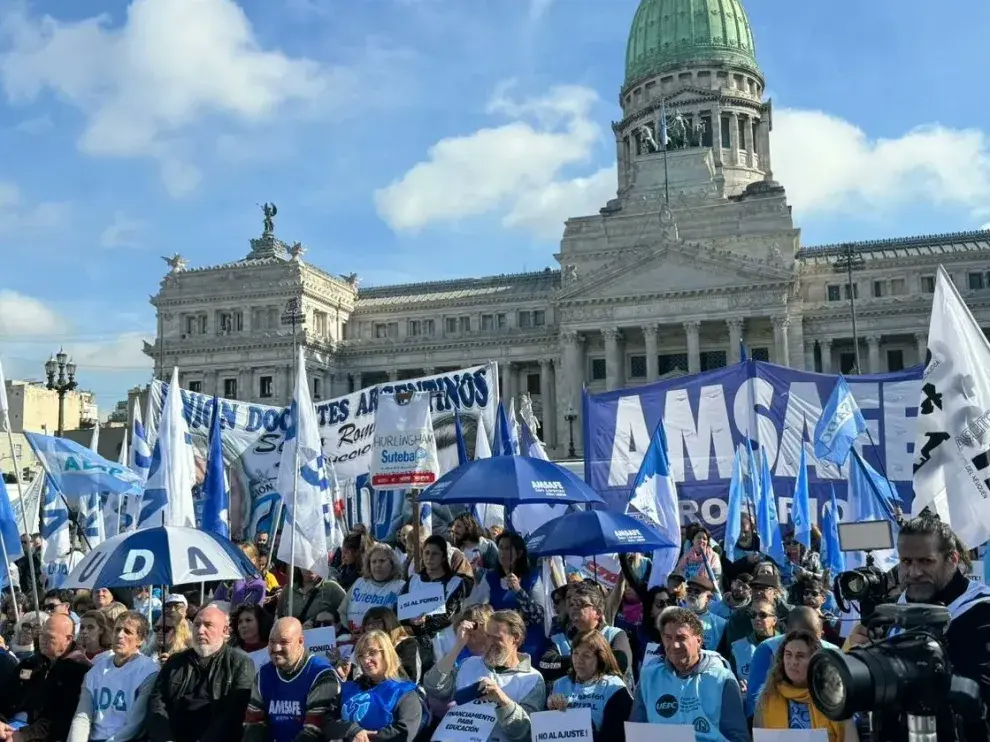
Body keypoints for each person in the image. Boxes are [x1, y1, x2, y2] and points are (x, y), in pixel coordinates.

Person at [847, 516, 990, 742]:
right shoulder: (890, 612)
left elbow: (980, 699)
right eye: (906, 561)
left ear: (952, 559)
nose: (913, 572)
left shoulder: (981, 613)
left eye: (925, 561)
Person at [424, 609, 545, 742]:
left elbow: (524, 732)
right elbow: (433, 686)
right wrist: (458, 646)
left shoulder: (531, 679)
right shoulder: (469, 664)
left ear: (516, 638)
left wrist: (501, 700)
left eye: (497, 638)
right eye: (488, 636)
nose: (490, 643)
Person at [630, 607, 748, 742]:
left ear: (698, 641)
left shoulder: (722, 679)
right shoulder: (648, 678)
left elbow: (738, 737)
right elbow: (637, 732)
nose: (674, 645)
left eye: (681, 638)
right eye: (668, 638)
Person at [146, 604, 256, 742]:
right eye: (197, 625)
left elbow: (233, 713)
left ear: (225, 630)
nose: (200, 630)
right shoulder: (175, 662)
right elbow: (157, 703)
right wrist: (165, 738)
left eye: (208, 625)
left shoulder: (240, 664)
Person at [67, 611, 159, 742]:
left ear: (141, 640)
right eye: (117, 630)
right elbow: (82, 717)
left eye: (128, 632)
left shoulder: (148, 670)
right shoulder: (97, 669)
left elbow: (135, 724)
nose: (120, 635)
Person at [0, 612, 93, 742]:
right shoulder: (31, 663)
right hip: (10, 726)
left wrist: (23, 735)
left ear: (68, 639)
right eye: (42, 634)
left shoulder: (79, 670)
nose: (43, 640)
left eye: (50, 637)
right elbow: (6, 695)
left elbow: (61, 718)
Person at [243, 617, 339, 742]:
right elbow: (253, 721)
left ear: (300, 641)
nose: (276, 648)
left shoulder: (321, 674)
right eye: (272, 641)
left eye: (284, 642)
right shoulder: (264, 674)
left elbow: (314, 730)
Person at [754, 629, 857, 742]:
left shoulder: (836, 701)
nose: (793, 662)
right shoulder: (766, 698)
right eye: (788, 654)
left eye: (800, 656)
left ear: (815, 660)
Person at [324, 630, 423, 742]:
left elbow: (404, 733)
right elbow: (327, 723)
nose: (366, 660)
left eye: (372, 653)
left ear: (386, 653)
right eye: (361, 655)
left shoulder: (405, 693)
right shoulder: (347, 688)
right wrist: (351, 730)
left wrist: (365, 737)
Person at [745, 606, 838, 717]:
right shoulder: (767, 649)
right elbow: (754, 699)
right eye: (801, 638)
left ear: (821, 633)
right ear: (788, 632)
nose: (807, 645)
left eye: (813, 638)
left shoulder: (833, 652)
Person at [465, 532, 547, 659]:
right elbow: (476, 606)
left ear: (519, 553)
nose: (502, 552)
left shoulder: (532, 577)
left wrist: (518, 591)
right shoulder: (490, 578)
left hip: (530, 645)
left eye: (507, 548)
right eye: (501, 548)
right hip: (500, 644)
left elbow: (539, 617)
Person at [541, 580, 633, 686]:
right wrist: (577, 660)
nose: (574, 608)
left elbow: (620, 664)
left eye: (581, 604)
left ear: (598, 612)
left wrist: (572, 664)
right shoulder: (559, 638)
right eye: (571, 604)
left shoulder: (614, 635)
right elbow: (545, 665)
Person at [546, 631, 633, 742]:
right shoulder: (559, 684)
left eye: (586, 655)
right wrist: (550, 710)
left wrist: (582, 726)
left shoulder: (615, 688)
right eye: (575, 653)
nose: (578, 660)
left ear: (600, 658)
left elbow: (616, 735)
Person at [400, 535, 472, 661]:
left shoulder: (455, 583)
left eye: (435, 554)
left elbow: (447, 615)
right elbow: (400, 608)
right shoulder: (413, 580)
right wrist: (411, 622)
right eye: (426, 553)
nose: (429, 558)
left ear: (443, 557)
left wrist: (423, 623)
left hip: (444, 642)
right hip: (414, 643)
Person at [337, 544, 405, 635]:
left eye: (382, 561)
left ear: (392, 563)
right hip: (353, 639)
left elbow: (400, 622)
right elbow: (342, 611)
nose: (377, 565)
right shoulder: (359, 583)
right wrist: (349, 631)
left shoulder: (400, 586)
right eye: (373, 561)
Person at [728, 596, 778, 697]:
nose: (756, 618)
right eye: (753, 614)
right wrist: (737, 685)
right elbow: (729, 680)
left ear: (774, 620)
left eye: (762, 615)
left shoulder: (786, 645)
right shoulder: (737, 648)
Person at [275, 568, 347, 628]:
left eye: (314, 562)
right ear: (299, 565)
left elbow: (348, 612)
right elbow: (279, 618)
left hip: (322, 642)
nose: (310, 567)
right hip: (294, 641)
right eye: (306, 562)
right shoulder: (288, 589)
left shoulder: (332, 588)